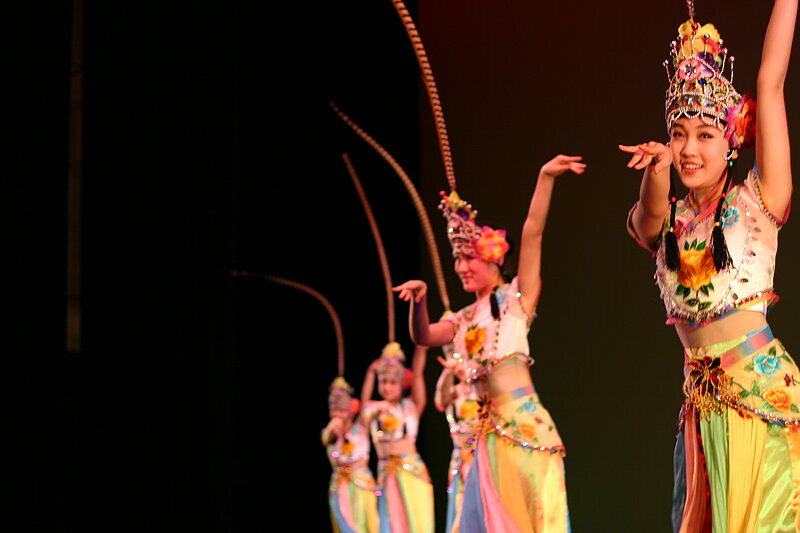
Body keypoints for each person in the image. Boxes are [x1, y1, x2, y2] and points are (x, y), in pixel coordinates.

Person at [621, 1, 799, 530]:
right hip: (703, 415)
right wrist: (656, 171)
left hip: (761, 402)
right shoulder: (668, 222)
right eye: (679, 133)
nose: (689, 148)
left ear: (732, 138)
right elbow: (647, 215)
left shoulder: (758, 203)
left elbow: (770, 80)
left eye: (705, 133)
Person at [395, 154, 586, 532]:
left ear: (493, 257)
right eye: (457, 259)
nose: (461, 267)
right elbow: (422, 336)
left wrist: (544, 176)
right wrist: (420, 301)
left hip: (523, 430)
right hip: (486, 440)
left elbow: (532, 232)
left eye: (469, 258)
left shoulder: (518, 299)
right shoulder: (461, 320)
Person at [360, 343, 433, 533]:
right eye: (383, 382)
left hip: (411, 471)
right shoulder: (374, 410)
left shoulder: (411, 406)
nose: (387, 387)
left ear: (402, 384)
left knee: (415, 521)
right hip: (386, 474)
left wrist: (421, 347)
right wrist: (370, 373)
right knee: (390, 522)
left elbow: (418, 374)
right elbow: (363, 409)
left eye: (392, 383)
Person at [322, 377, 379, 533]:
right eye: (334, 410)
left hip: (361, 486)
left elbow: (366, 403)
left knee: (363, 525)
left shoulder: (361, 426)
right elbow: (325, 439)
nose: (338, 414)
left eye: (341, 410)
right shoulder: (331, 433)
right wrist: (333, 429)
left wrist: (371, 373)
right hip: (340, 488)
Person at [434, 353, 480, 533]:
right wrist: (447, 372)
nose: (461, 365)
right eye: (458, 360)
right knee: (460, 504)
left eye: (464, 360)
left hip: (481, 454)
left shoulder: (482, 386)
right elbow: (439, 401)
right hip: (460, 458)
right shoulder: (454, 392)